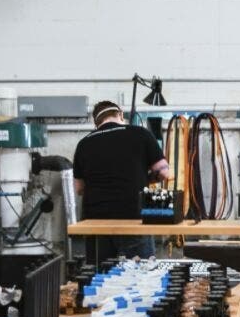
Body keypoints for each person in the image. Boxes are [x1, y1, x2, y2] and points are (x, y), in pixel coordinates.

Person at [72, 100, 173, 263]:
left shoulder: (84, 144)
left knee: (101, 279)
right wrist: (142, 177)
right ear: (119, 115)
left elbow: (79, 188)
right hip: (133, 219)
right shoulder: (141, 134)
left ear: (96, 122)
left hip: (96, 224)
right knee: (140, 278)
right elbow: (163, 172)